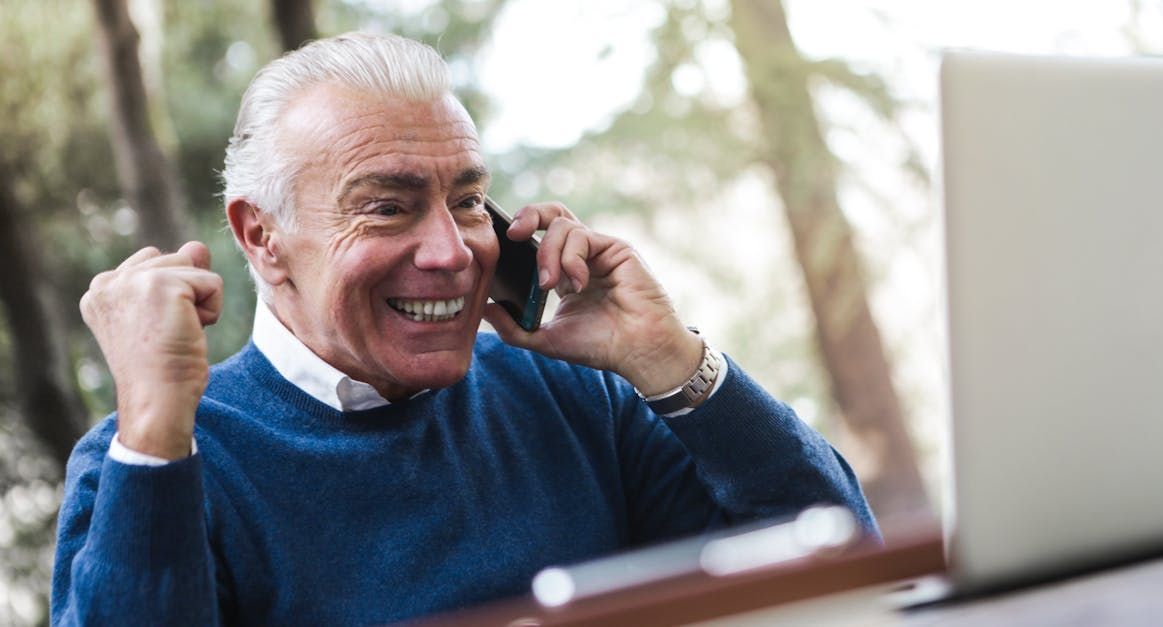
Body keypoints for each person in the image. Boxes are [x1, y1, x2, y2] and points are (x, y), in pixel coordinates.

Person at [52, 32, 876, 625]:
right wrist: (157, 433)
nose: (452, 252)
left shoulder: (578, 396)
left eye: (469, 201)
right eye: (389, 206)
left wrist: (672, 361)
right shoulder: (157, 464)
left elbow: (837, 570)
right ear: (263, 236)